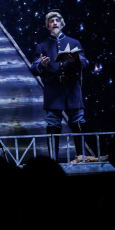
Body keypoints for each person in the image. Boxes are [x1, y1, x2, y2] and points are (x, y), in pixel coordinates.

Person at [29, 10, 90, 161]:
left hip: (72, 89)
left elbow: (85, 63)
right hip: (53, 90)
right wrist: (42, 65)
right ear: (48, 26)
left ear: (62, 24)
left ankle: (81, 157)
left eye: (57, 20)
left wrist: (75, 60)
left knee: (78, 121)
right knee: (53, 123)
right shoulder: (42, 46)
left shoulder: (74, 42)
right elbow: (34, 68)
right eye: (51, 21)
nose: (54, 23)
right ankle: (53, 160)